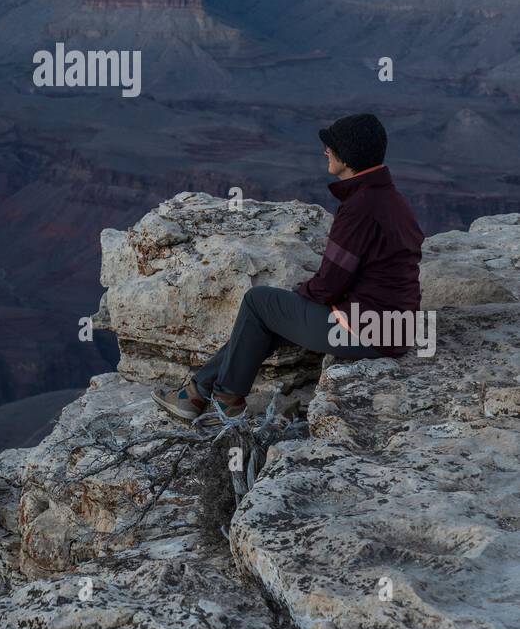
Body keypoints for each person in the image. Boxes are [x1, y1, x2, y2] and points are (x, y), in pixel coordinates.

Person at [152, 113, 424, 423]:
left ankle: (225, 400)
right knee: (266, 323)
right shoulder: (393, 200)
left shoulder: (360, 207)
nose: (326, 151)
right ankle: (196, 393)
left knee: (258, 303)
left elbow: (330, 284)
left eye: (331, 146)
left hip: (367, 333)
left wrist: (301, 294)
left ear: (348, 155)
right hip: (395, 329)